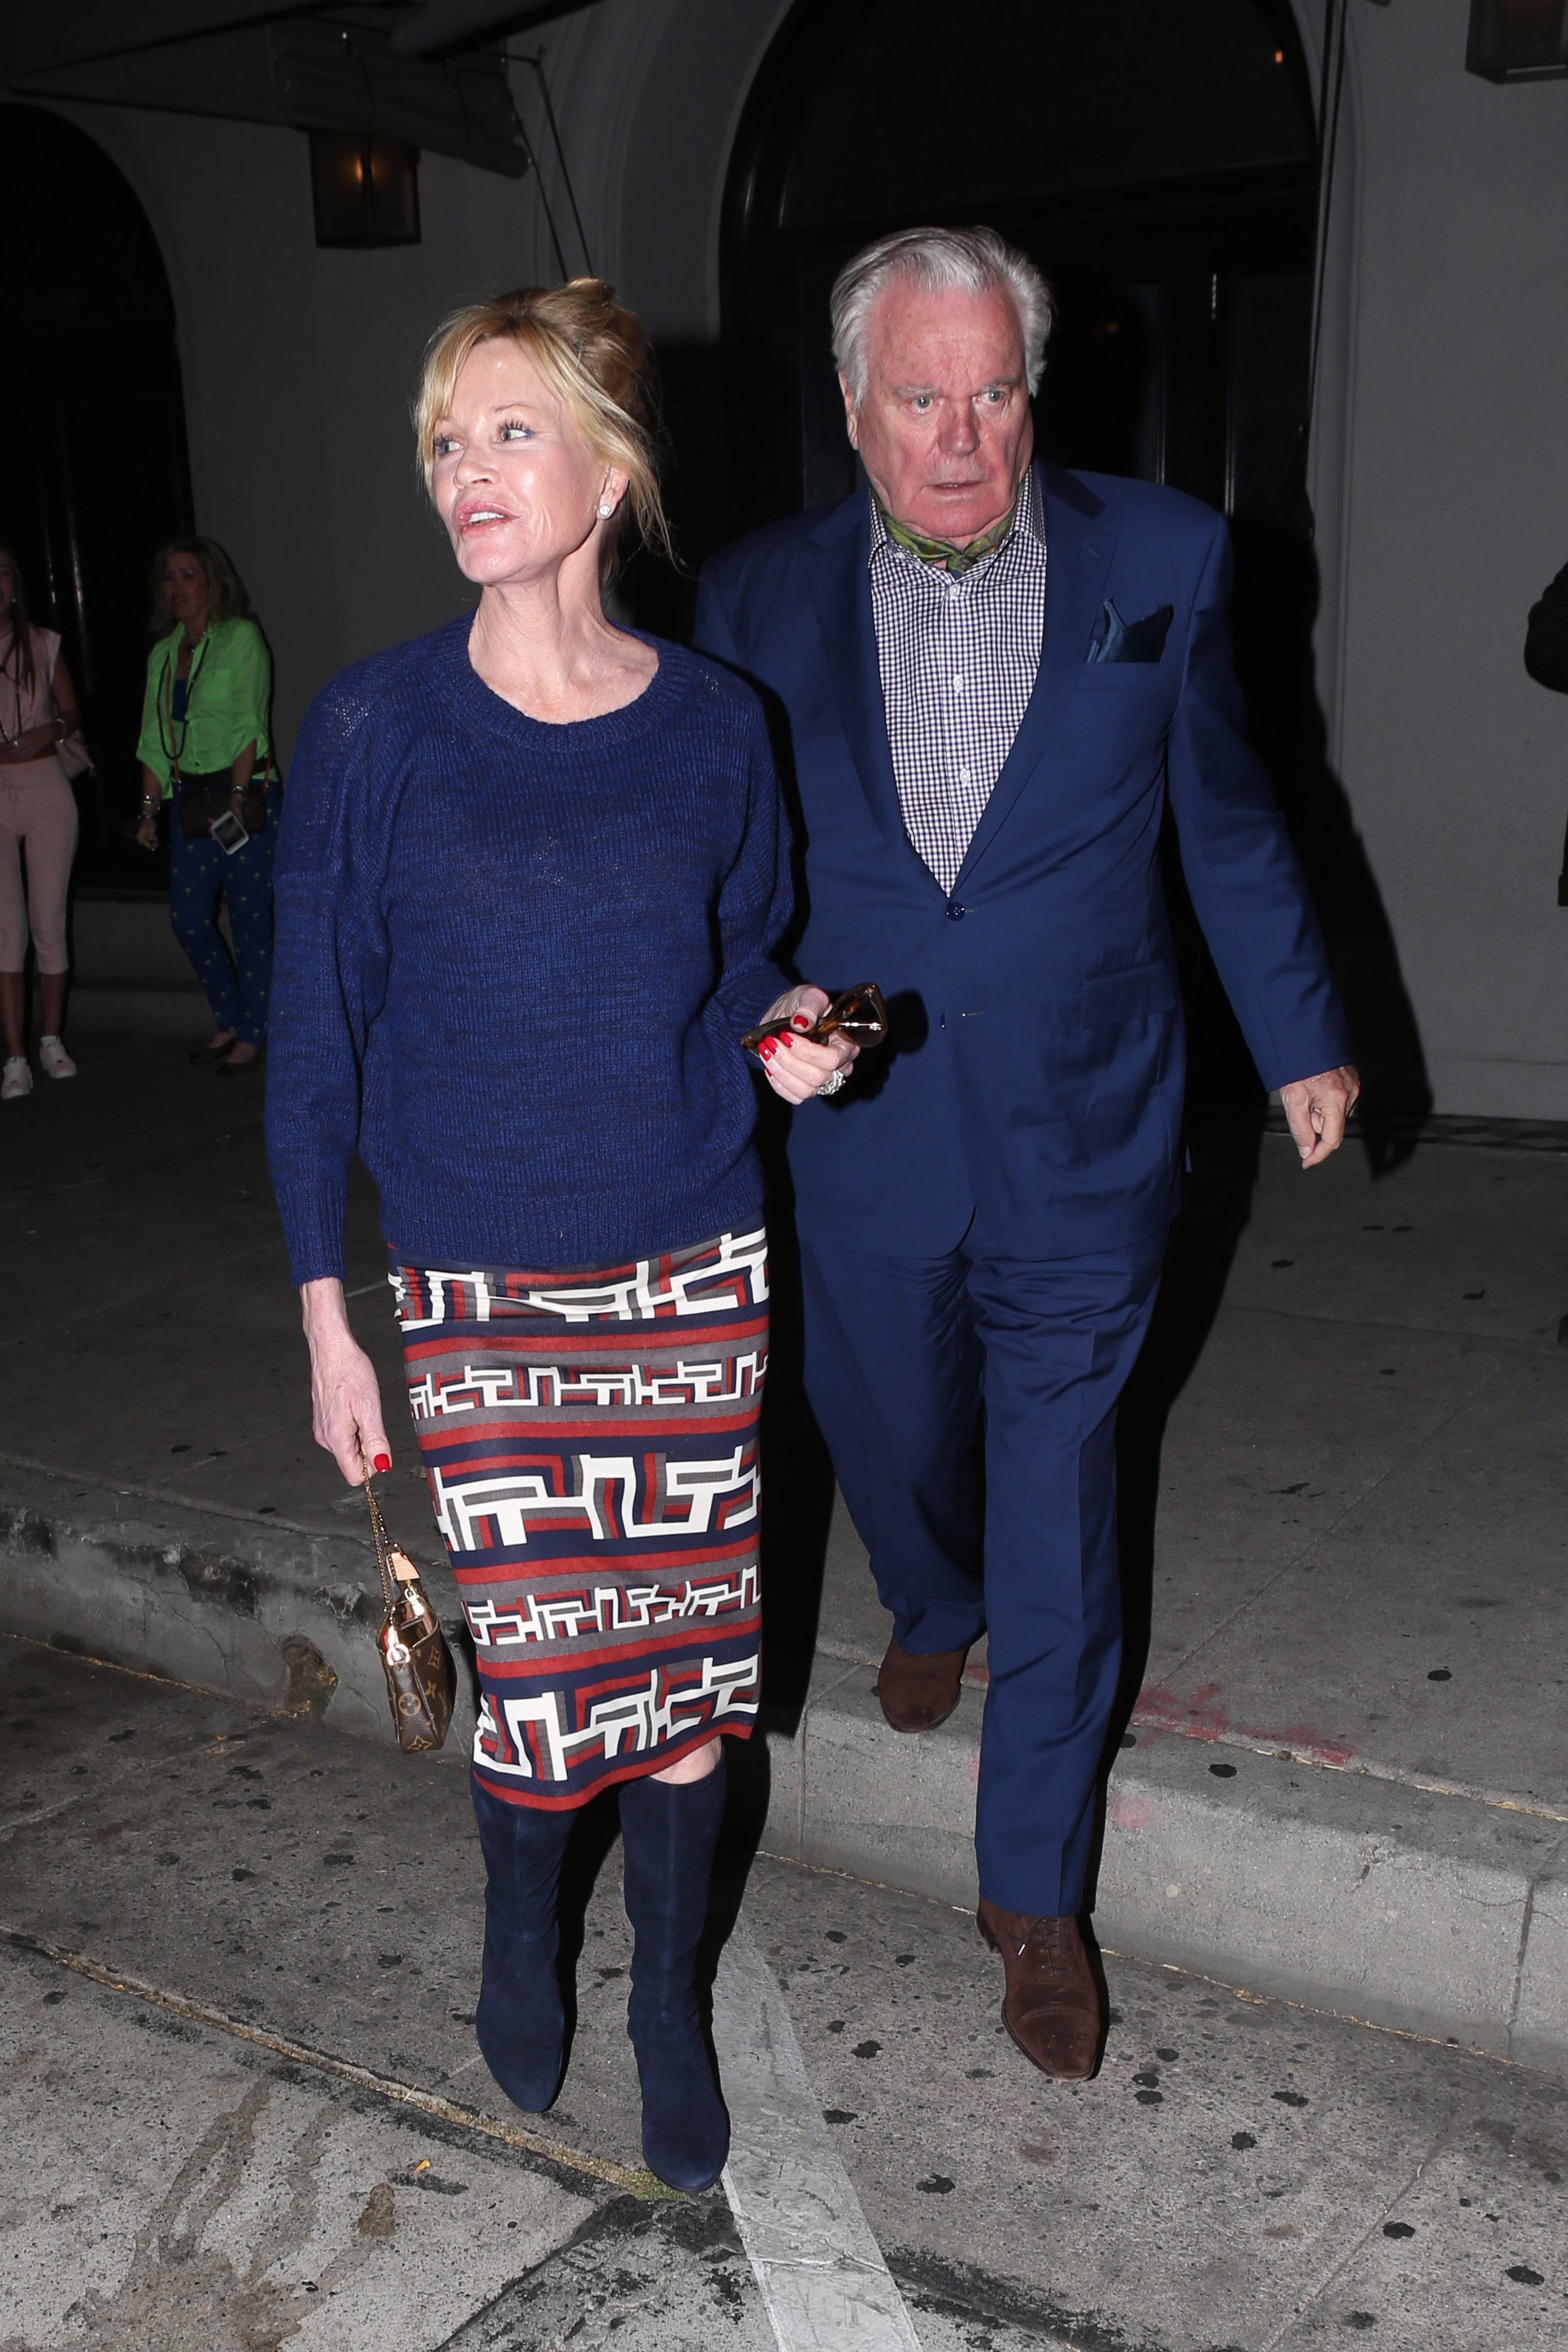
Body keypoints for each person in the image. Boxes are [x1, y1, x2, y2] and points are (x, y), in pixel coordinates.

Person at [695, 225, 1358, 2083]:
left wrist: (1301, 1031)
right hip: (866, 1130)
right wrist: (758, 1015)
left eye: (994, 392)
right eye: (923, 397)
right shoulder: (751, 599)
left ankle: (1033, 1893)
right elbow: (722, 878)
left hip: (1088, 1121)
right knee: (888, 1425)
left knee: (1063, 1488)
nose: (964, 436)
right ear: (854, 405)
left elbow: (1227, 820)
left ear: (1032, 392)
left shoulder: (1163, 560)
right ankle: (931, 1591)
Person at [263, 280, 806, 2193]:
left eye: (508, 430)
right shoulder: (374, 727)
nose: (464, 470)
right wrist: (327, 1316)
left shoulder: (719, 726)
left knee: (683, 1684)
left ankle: (667, 2003)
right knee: (552, 1676)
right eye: (444, 437)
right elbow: (314, 1035)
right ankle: (520, 1921)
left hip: (690, 1261)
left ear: (609, 466)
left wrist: (797, 1033)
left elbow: (742, 962)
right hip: (481, 1287)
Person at [134, 537, 277, 1073]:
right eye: (168, 578)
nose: (176, 588)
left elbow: (249, 724)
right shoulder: (163, 653)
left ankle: (255, 1031)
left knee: (250, 917)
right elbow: (153, 739)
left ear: (213, 583)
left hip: (243, 796)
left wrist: (239, 796)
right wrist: (149, 810)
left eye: (187, 576)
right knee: (189, 920)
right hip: (191, 801)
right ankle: (230, 1016)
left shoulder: (240, 637)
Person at [0, 545, 84, 1101]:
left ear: (15, 585)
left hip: (47, 789)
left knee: (48, 924)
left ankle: (51, 1039)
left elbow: (72, 713)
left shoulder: (43, 642)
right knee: (7, 932)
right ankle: (15, 1059)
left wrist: (47, 731)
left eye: (4, 573)